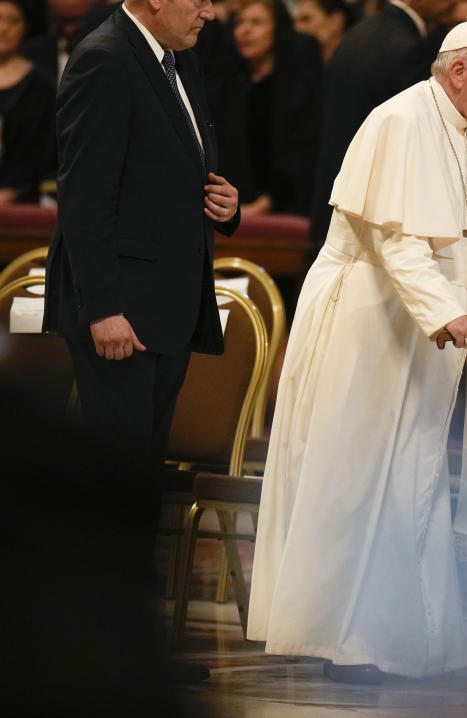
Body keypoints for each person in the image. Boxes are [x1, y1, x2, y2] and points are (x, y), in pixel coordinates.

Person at [247, 20, 467, 684]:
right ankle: (347, 640)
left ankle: (402, 640)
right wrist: (449, 314)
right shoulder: (399, 121)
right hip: (366, 325)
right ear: (457, 71)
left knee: (412, 479)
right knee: (358, 480)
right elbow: (395, 243)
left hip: (421, 333)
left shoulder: (463, 136)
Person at [42, 0, 240, 601]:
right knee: (115, 485)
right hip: (121, 312)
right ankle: (99, 652)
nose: (211, 11)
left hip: (166, 310)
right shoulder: (104, 59)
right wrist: (102, 307)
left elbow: (184, 171)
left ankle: (129, 654)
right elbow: (84, 194)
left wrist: (226, 205)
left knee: (139, 484)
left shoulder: (179, 61)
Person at [307, 0, 450, 243]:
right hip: (374, 212)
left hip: (339, 197)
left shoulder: (359, 33)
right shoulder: (409, 46)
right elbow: (414, 137)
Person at [207, 0, 321, 216]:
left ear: (277, 29)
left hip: (286, 210)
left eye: (257, 22)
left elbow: (303, 152)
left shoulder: (296, 85)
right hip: (230, 207)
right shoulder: (227, 84)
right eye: (240, 22)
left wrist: (265, 204)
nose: (245, 30)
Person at [0, 0, 55, 204]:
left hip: (23, 206)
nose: (3, 29)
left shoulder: (42, 87)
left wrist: (10, 194)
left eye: (13, 21)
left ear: (24, 28)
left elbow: (43, 156)